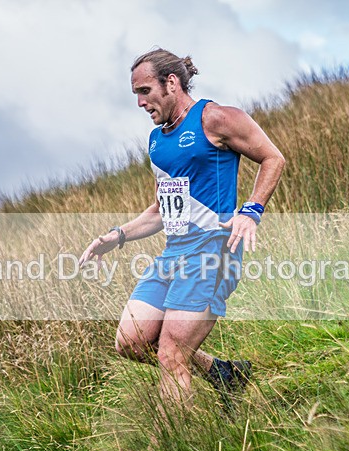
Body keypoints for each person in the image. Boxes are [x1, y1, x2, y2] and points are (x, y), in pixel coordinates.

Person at [79, 48, 284, 413]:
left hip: (213, 250)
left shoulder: (216, 118)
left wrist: (250, 211)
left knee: (171, 353)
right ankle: (225, 374)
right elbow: (162, 210)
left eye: (145, 91)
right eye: (136, 95)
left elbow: (273, 158)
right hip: (173, 253)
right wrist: (117, 235)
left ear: (171, 83)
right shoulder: (157, 141)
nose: (141, 103)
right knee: (131, 342)